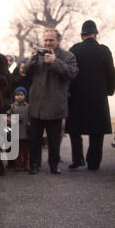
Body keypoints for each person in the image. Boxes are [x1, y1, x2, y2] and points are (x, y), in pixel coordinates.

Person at [24, 28, 78, 175]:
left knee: (54, 140)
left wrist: (55, 62)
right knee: (34, 139)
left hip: (55, 105)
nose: (48, 43)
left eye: (51, 40)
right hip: (37, 105)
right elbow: (26, 73)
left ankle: (54, 165)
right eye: (46, 40)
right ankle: (34, 165)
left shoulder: (68, 56)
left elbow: (72, 73)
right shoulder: (38, 55)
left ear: (58, 41)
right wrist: (33, 59)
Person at [65, 20, 115, 170]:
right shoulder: (104, 50)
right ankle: (93, 163)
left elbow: (69, 73)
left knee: (75, 129)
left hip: (77, 96)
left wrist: (68, 92)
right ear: (96, 34)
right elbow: (111, 74)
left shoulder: (74, 49)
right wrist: (109, 91)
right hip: (98, 96)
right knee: (97, 131)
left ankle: (77, 159)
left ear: (82, 36)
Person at [7, 87, 30, 170]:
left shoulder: (28, 106)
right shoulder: (12, 106)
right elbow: (8, 117)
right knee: (16, 150)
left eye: (21, 95)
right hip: (15, 132)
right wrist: (13, 118)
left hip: (25, 132)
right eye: (17, 95)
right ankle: (16, 164)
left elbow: (30, 117)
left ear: (25, 96)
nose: (19, 97)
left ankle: (26, 164)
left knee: (25, 150)